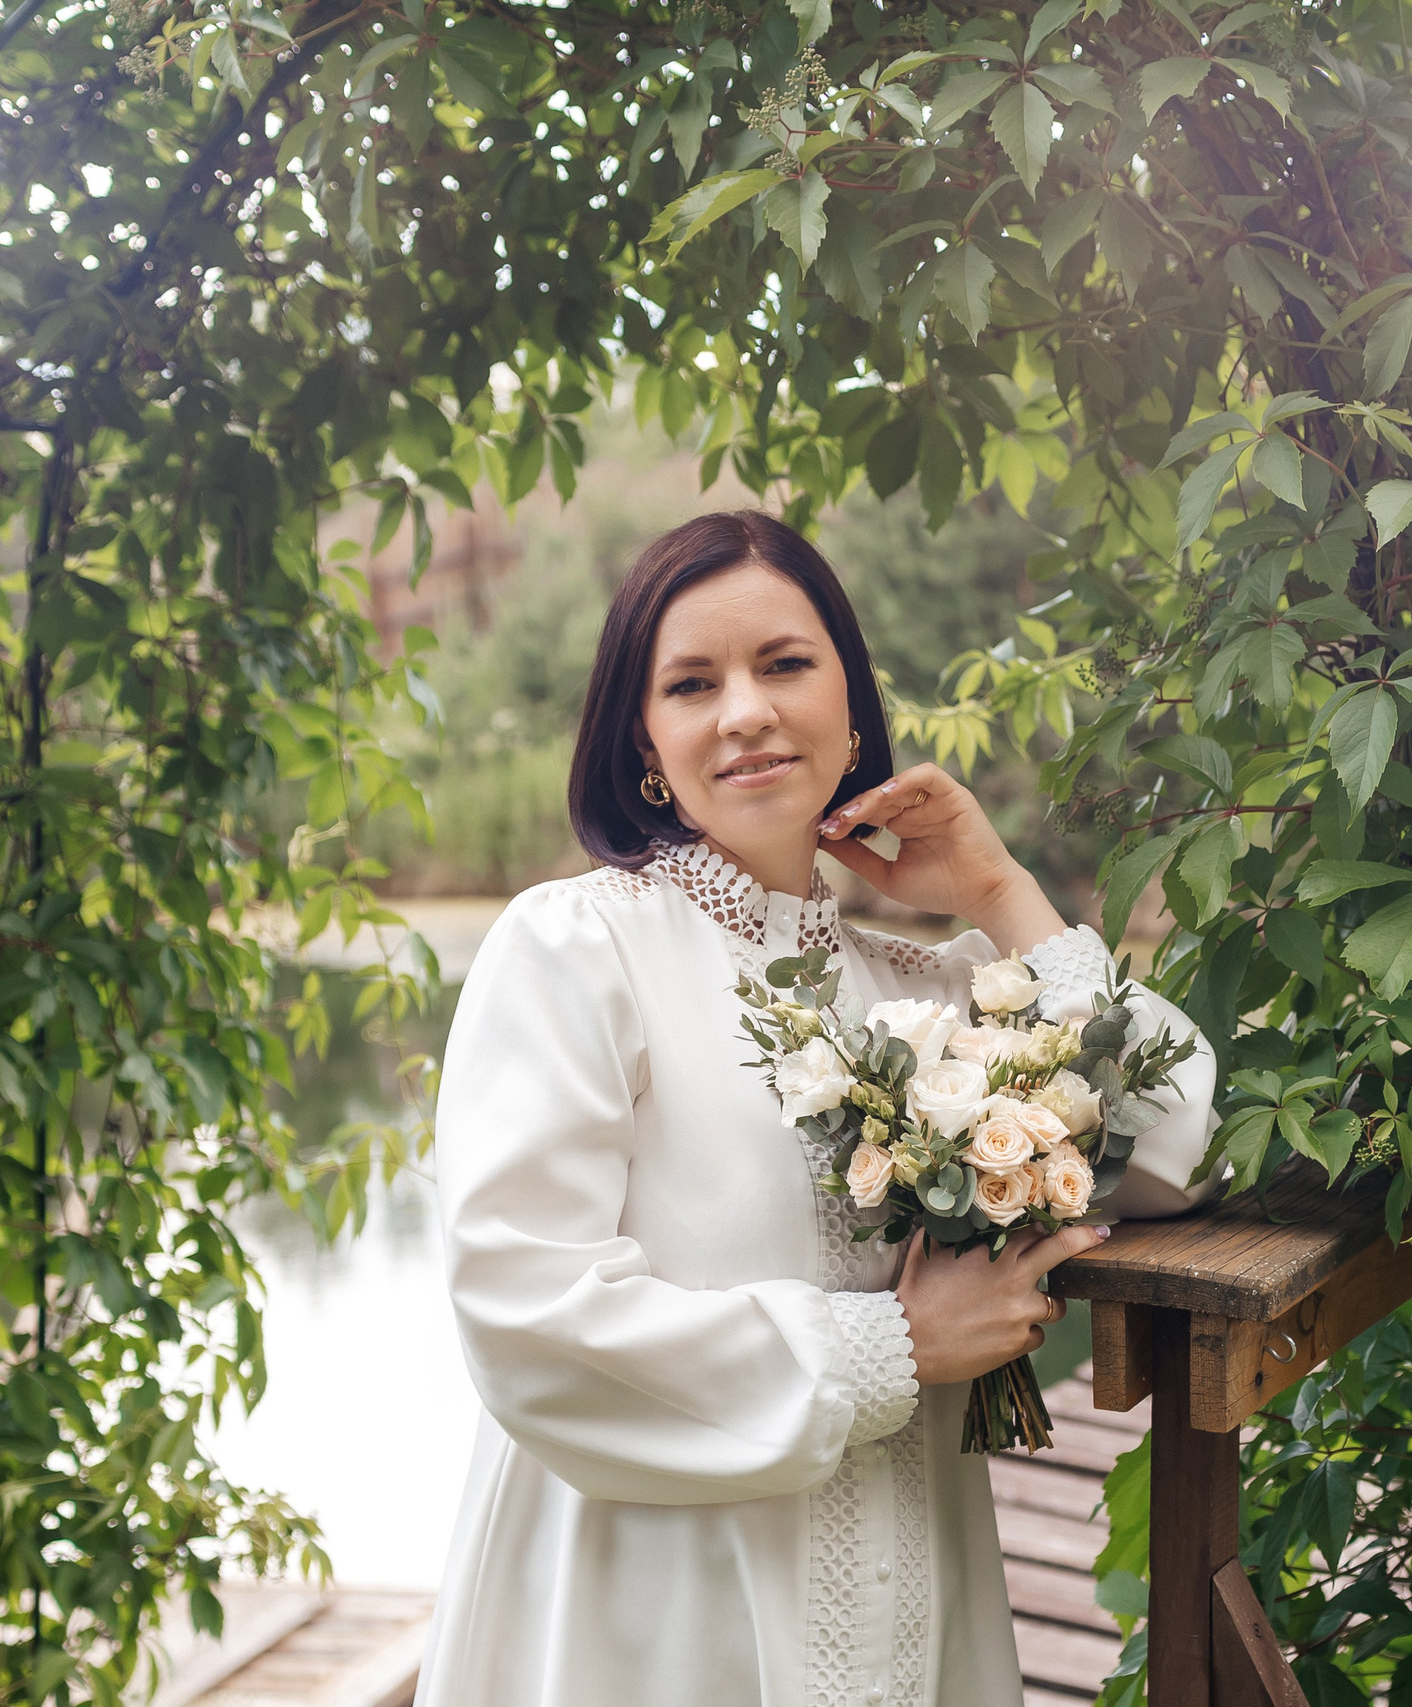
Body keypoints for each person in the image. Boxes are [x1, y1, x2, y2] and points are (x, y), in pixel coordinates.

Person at [416, 511, 1221, 1706]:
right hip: (645, 1615)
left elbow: (1179, 1142)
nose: (743, 711)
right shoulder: (577, 951)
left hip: (908, 1589)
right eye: (691, 683)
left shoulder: (931, 988)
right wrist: (888, 1348)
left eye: (783, 664)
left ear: (851, 711)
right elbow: (524, 1311)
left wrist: (1003, 892)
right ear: (646, 743)